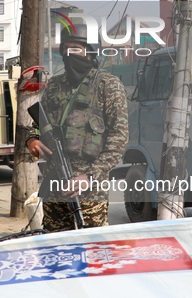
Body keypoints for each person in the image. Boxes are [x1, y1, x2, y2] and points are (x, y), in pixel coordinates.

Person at [26, 24, 128, 232]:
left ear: (90, 52)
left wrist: (89, 176)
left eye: (75, 48)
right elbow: (37, 124)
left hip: (90, 190)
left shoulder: (107, 85)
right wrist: (32, 140)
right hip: (54, 184)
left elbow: (119, 138)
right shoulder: (54, 86)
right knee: (56, 247)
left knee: (92, 248)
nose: (68, 53)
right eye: (65, 48)